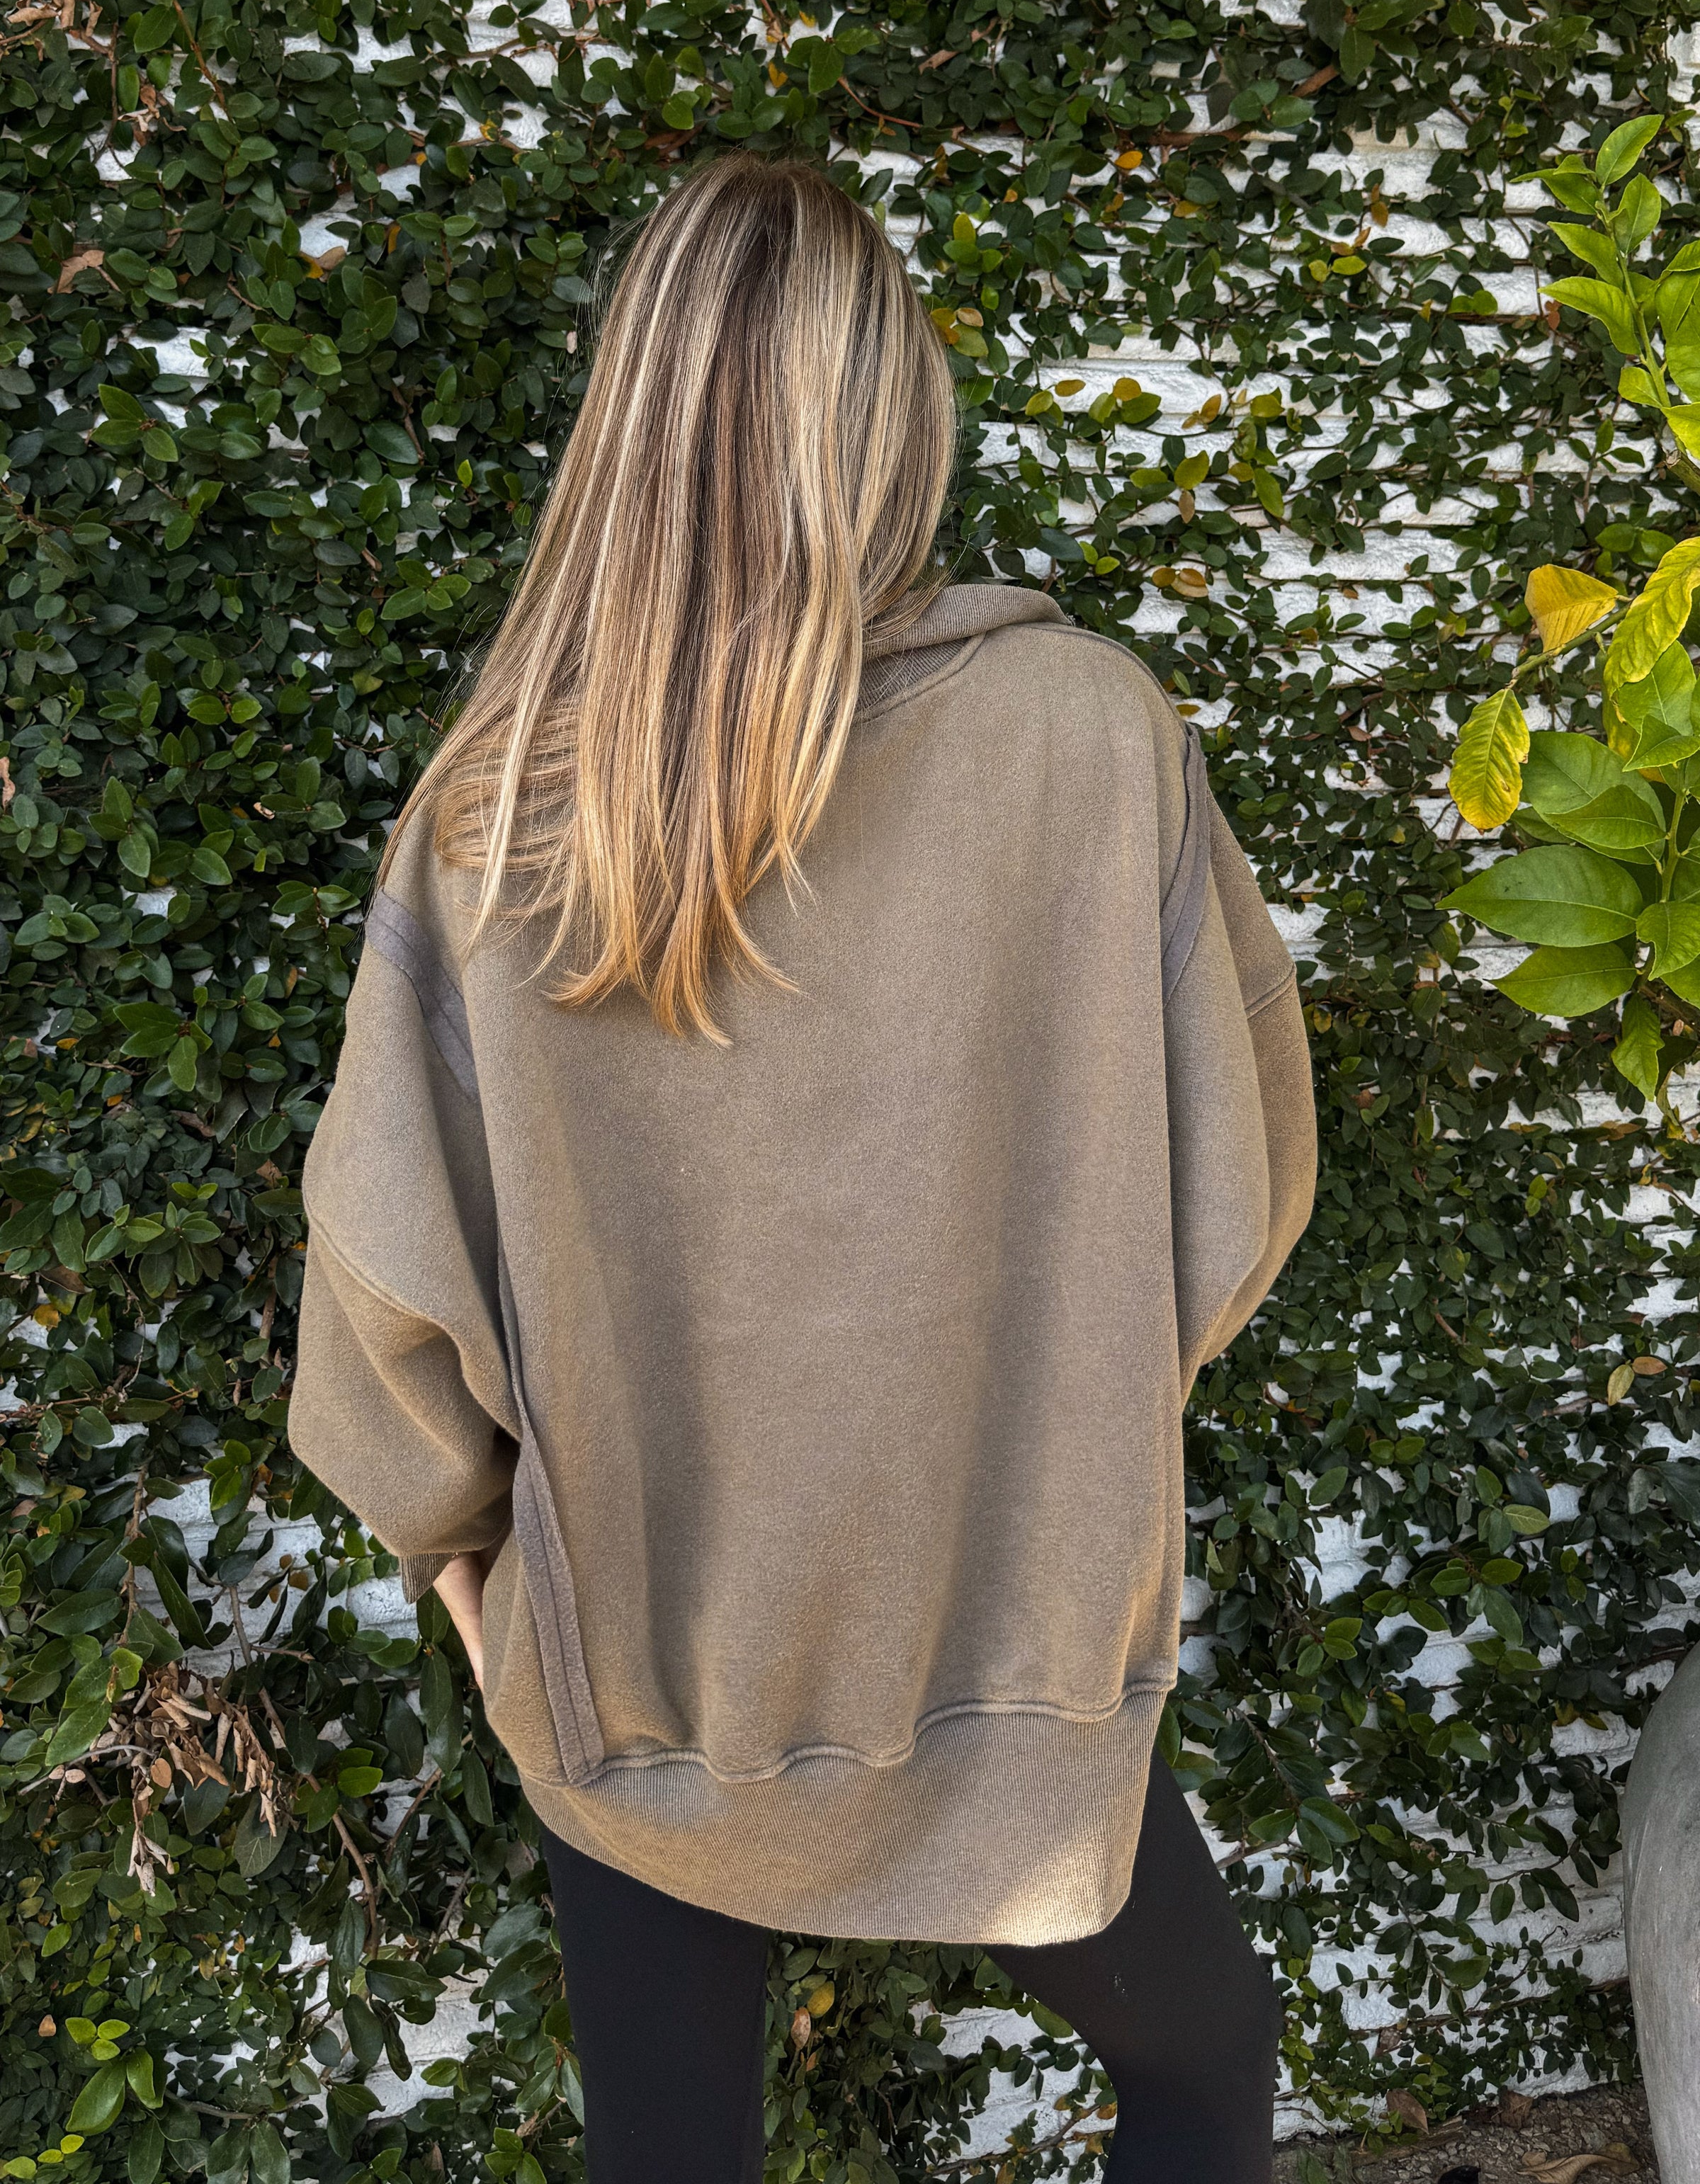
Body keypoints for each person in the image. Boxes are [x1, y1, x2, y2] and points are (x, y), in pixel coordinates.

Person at [288, 152, 1317, 2183]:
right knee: (1208, 2071)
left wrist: (473, 1577)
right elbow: (1236, 1204)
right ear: (896, 410)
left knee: (675, 2157)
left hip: (644, 1682)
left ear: (631, 422)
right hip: (1008, 1659)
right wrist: (1059, 1450)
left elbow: (388, 1295)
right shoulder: (1092, 738)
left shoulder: (502, 818)